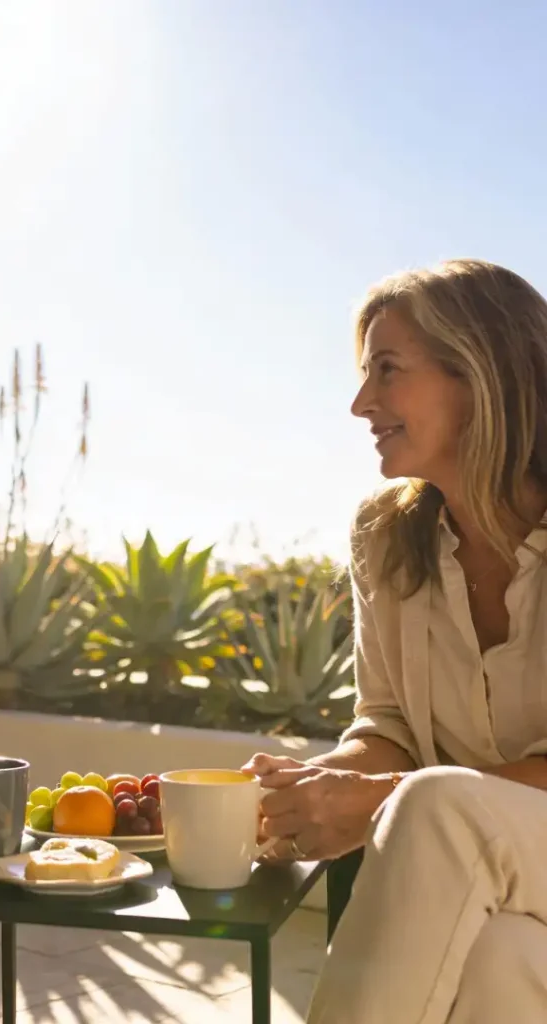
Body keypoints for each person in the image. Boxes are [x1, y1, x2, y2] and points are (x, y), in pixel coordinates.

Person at [244, 259, 547, 1023]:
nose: (360, 403)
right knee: (503, 963)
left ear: (481, 375)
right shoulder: (386, 536)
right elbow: (387, 727)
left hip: (488, 842)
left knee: (437, 806)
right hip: (505, 889)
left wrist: (386, 801)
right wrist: (323, 786)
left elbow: (423, 795)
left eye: (387, 371)